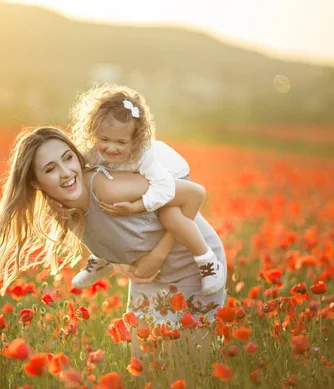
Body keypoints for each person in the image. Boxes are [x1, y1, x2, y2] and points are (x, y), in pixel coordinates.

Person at [0, 127, 228, 381]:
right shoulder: (62, 209)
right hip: (148, 276)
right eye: (50, 169)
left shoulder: (105, 186)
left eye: (68, 158)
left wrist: (156, 257)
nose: (66, 173)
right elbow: (109, 239)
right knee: (149, 369)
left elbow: (194, 194)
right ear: (36, 183)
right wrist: (127, 264)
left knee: (190, 369)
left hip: (194, 262)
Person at [68, 83, 225, 296]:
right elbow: (79, 166)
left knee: (170, 217)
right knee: (104, 203)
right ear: (94, 132)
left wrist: (136, 207)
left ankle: (207, 261)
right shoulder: (95, 152)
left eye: (121, 142)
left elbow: (165, 189)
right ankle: (102, 259)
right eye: (104, 139)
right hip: (139, 182)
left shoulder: (145, 156)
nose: (111, 148)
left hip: (170, 178)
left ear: (135, 141)